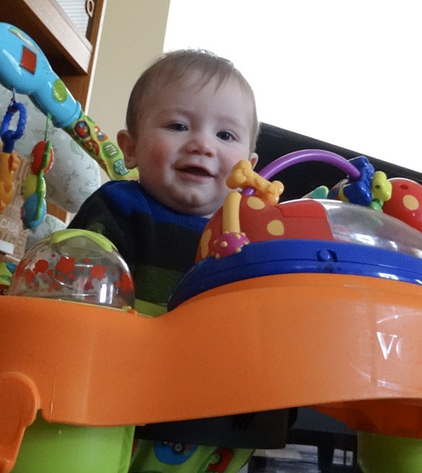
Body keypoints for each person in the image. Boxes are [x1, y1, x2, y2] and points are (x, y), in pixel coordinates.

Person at [68, 49, 260, 472]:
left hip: (213, 407)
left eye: (226, 136)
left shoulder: (250, 236)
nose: (202, 144)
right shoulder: (118, 207)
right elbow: (74, 289)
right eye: (178, 126)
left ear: (250, 169)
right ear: (131, 148)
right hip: (118, 398)